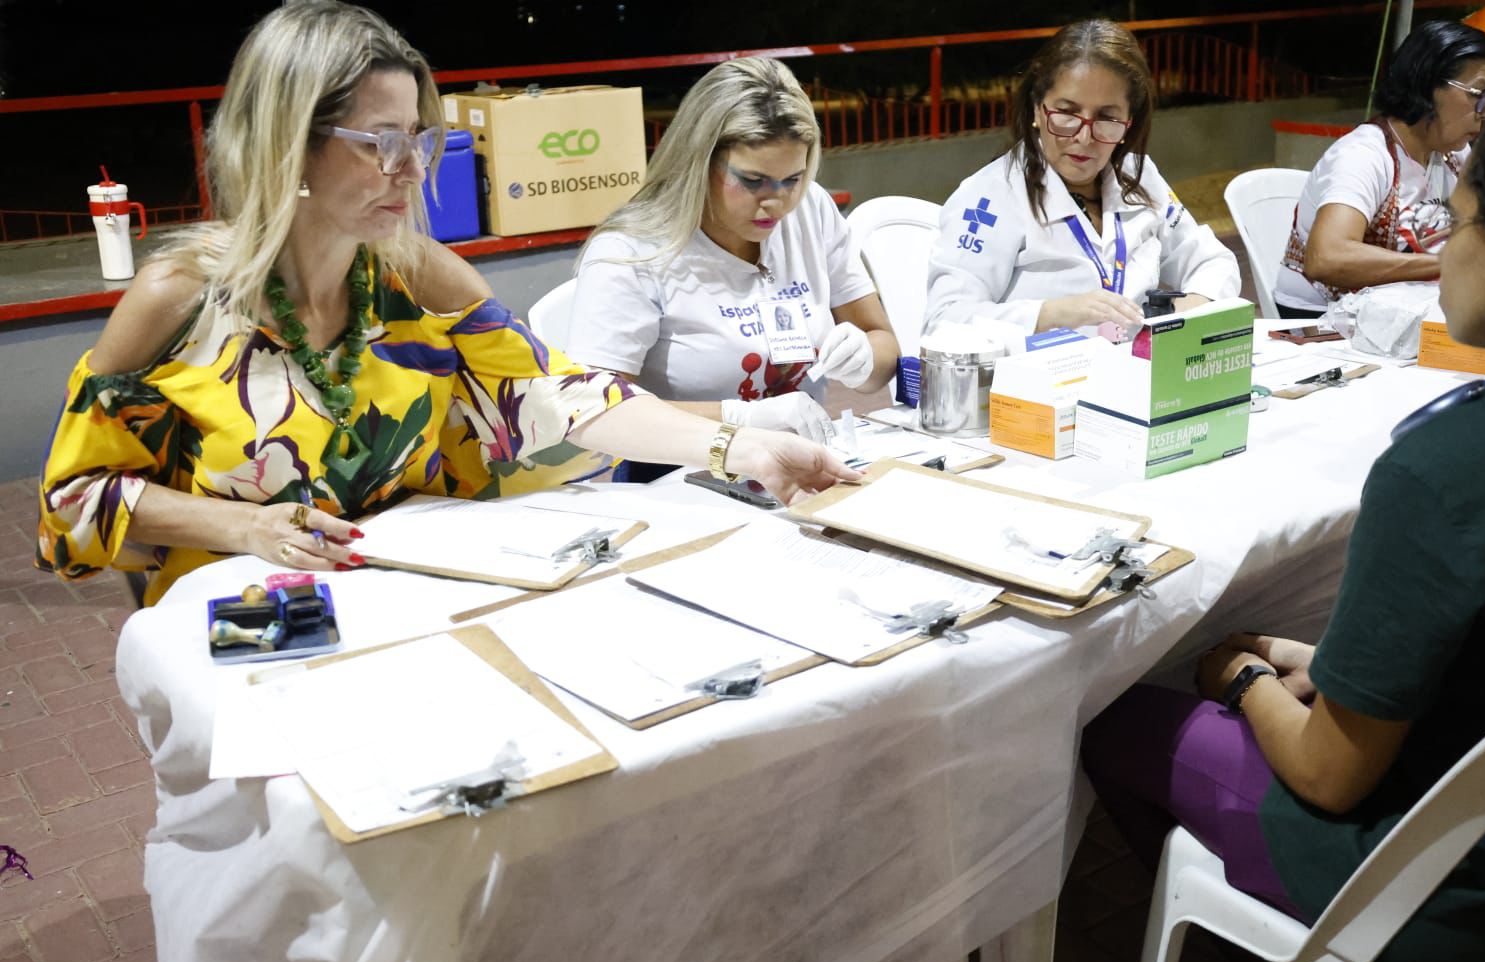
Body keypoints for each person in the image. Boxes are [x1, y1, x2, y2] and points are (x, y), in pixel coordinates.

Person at [34, 2, 856, 606]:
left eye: (421, 140)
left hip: (413, 608)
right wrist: (244, 528)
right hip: (247, 627)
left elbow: (562, 395)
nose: (413, 169)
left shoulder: (416, 278)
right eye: (381, 142)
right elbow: (73, 503)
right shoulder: (180, 300)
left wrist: (740, 450)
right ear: (289, 138)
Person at [1081, 114, 1485, 962]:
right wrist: (1332, 665)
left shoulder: (1444, 469)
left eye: (1457, 223)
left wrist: (1234, 676)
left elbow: (1328, 774)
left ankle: (1272, 958)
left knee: (1113, 716)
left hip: (1445, 894)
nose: (1442, 252)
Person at [567, 57, 900, 463]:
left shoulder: (811, 211)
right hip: (679, 477)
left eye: (793, 179)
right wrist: (738, 419)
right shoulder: (631, 252)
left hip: (802, 464)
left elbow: (882, 347)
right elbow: (592, 413)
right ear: (698, 163)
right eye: (753, 181)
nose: (777, 202)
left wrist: (864, 361)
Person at [925, 19, 1239, 341]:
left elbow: (1213, 261)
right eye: (1067, 113)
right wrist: (1053, 313)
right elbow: (945, 321)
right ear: (1037, 109)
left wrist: (1191, 310)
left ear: (1129, 123)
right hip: (1037, 383)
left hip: (1136, 373)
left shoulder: (1138, 175)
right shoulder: (990, 196)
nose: (1084, 137)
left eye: (1106, 118)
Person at [1275, 20, 1485, 319]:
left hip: (1393, 315)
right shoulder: (1364, 155)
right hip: (1326, 328)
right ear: (1428, 86)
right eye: (1478, 95)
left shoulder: (1451, 155)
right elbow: (1327, 257)